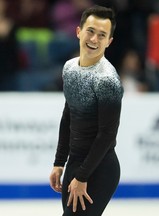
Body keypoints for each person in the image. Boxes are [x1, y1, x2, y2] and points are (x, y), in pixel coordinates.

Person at [49, 5, 123, 216]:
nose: (94, 39)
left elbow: (107, 135)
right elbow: (68, 115)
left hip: (100, 168)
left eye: (102, 35)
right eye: (90, 31)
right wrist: (59, 162)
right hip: (75, 162)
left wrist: (82, 177)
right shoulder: (70, 68)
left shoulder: (106, 80)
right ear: (78, 31)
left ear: (109, 41)